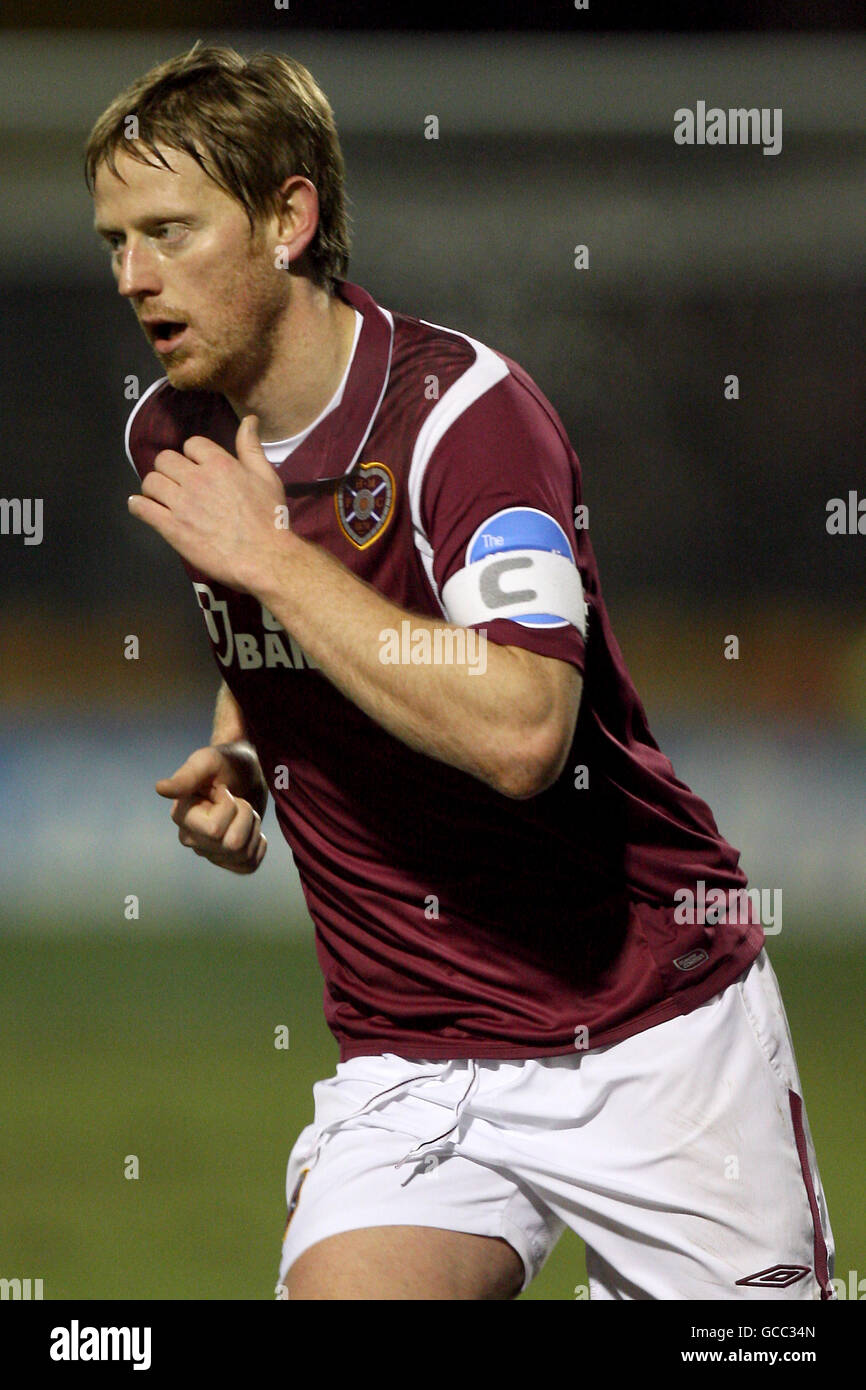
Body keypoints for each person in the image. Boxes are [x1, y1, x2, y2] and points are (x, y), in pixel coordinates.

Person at [86, 42, 834, 1301]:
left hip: (647, 1031)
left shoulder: (461, 419)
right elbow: (298, 642)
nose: (132, 276)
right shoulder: (178, 428)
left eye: (168, 230)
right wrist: (249, 750)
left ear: (286, 218)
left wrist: (269, 561)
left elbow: (523, 728)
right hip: (415, 1048)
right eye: (114, 239)